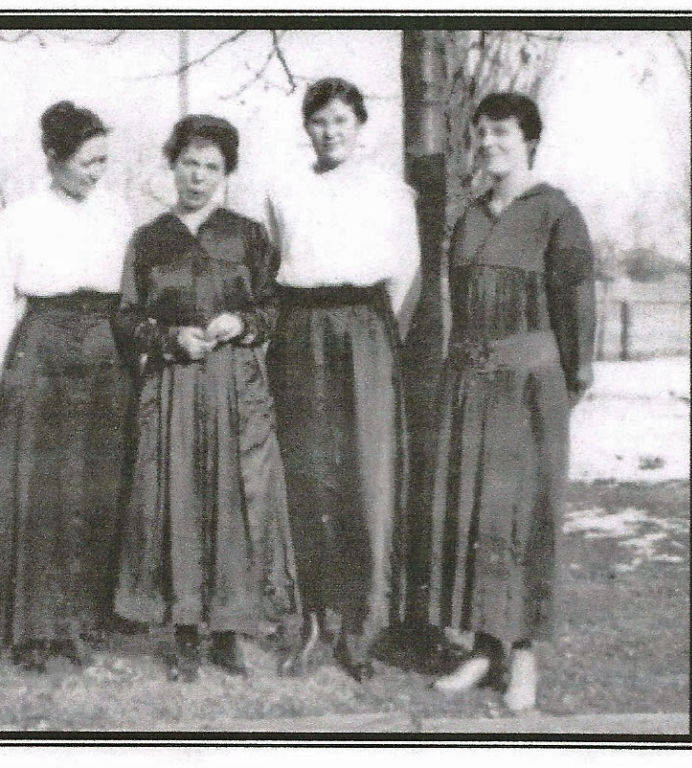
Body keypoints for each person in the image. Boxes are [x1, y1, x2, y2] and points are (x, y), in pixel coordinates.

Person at [410, 92, 596, 712]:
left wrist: (563, 383)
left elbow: (577, 312)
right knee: (476, 518)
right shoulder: (468, 217)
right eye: (481, 133)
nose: (489, 143)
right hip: (470, 386)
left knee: (522, 519)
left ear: (530, 141)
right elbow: (458, 307)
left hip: (528, 391)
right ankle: (485, 647)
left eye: (503, 133)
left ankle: (524, 658)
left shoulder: (556, 213)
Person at [0, 101, 136, 671]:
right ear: (53, 159)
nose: (96, 173)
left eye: (103, 161)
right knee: (43, 488)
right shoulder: (22, 216)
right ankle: (37, 624)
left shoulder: (118, 213)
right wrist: (1, 376)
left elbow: (135, 290)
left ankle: (94, 613)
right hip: (45, 351)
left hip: (107, 351)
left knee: (100, 482)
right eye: (85, 162)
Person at [112, 114, 298, 682]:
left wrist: (240, 322)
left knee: (233, 496)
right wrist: (170, 339)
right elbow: (126, 314)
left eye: (211, 167)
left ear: (226, 174)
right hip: (173, 384)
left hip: (235, 383)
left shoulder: (246, 235)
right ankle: (185, 630)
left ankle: (228, 630)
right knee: (179, 497)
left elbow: (274, 308)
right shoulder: (148, 239)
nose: (198, 176)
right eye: (189, 162)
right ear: (173, 164)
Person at [265, 77, 420, 681]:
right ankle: (313, 622)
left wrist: (376, 340)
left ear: (359, 126)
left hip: (364, 328)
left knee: (364, 475)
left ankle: (363, 627)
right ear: (307, 127)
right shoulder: (283, 189)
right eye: (319, 121)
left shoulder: (390, 191)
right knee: (308, 473)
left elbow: (407, 274)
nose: (329, 132)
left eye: (341, 121)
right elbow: (278, 258)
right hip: (300, 329)